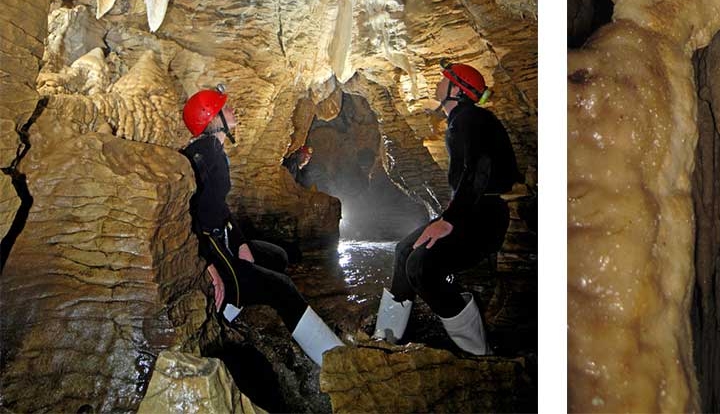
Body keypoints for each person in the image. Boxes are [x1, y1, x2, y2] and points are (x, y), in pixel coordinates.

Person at [181, 86, 343, 367]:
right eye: (226, 108)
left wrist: (242, 242)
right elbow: (188, 217)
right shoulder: (200, 158)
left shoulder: (215, 152)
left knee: (277, 256)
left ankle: (240, 308)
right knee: (283, 287)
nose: (233, 111)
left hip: (227, 239)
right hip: (212, 248)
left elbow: (220, 207)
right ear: (213, 119)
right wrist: (207, 265)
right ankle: (334, 359)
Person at [372, 61, 521, 355]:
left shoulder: (470, 119)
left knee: (421, 265)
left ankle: (478, 351)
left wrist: (449, 219)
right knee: (404, 250)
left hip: (485, 214)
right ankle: (386, 336)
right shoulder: (463, 120)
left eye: (445, 79)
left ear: (457, 90)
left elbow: (479, 168)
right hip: (473, 211)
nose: (438, 83)